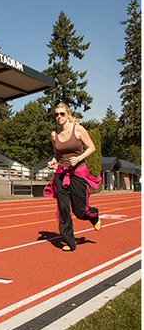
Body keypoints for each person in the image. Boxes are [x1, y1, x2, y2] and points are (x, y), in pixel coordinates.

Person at [46, 103, 101, 252]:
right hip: (61, 174)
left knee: (80, 211)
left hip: (78, 173)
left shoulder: (78, 130)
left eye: (62, 114)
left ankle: (93, 216)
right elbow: (57, 154)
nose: (59, 117)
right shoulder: (54, 134)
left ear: (68, 115)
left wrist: (78, 158)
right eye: (56, 114)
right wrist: (53, 162)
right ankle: (69, 241)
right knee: (63, 208)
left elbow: (92, 147)